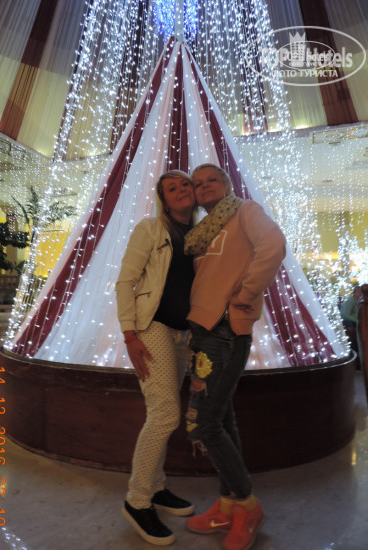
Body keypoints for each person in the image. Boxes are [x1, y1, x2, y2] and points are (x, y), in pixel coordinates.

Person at [183, 164, 286, 550]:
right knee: (222, 419)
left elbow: (274, 243)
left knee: (205, 424)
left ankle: (248, 505)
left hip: (226, 331)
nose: (204, 186)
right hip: (203, 330)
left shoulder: (245, 211)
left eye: (212, 179)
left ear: (227, 185)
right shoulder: (204, 230)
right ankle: (228, 505)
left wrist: (246, 293)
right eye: (198, 183)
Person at [116, 169, 197, 546]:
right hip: (153, 328)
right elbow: (125, 281)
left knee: (163, 413)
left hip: (184, 333)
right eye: (172, 188)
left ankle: (157, 487)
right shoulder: (150, 229)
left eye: (185, 184)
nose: (181, 190)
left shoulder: (201, 234)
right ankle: (137, 500)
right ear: (163, 199)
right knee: (165, 414)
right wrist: (129, 334)